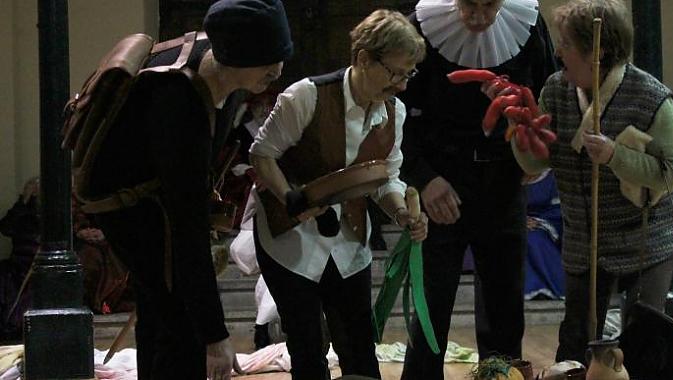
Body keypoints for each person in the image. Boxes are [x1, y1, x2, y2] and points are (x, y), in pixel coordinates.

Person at [88, 0, 293, 378]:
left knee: (162, 312)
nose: (277, 71)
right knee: (180, 325)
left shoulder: (225, 83)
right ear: (235, 55)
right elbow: (187, 229)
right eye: (269, 60)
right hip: (131, 210)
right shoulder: (178, 101)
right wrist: (215, 337)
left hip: (156, 203)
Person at [249, 9, 428, 379]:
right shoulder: (305, 96)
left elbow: (386, 178)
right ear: (363, 58)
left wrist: (402, 214)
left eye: (408, 74)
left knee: (359, 344)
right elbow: (262, 154)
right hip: (289, 242)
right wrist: (291, 198)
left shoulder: (395, 111)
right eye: (395, 73)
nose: (402, 85)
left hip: (348, 243)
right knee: (307, 347)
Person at [509, 0, 673, 364]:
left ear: (598, 51)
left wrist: (614, 156)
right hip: (583, 236)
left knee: (643, 335)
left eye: (567, 44)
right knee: (576, 333)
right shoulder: (556, 90)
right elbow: (536, 161)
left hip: (645, 236)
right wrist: (520, 136)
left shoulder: (649, 96)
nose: (558, 51)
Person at [397, 0, 558, 377]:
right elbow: (391, 113)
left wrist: (534, 154)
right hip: (439, 180)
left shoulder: (528, 26)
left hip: (503, 179)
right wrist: (422, 178)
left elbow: (548, 97)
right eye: (470, 5)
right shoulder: (420, 27)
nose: (481, 17)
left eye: (491, 6)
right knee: (429, 307)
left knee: (504, 308)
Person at [0, 177, 39, 341]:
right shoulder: (23, 211)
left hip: (38, 263)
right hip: (17, 264)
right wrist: (23, 200)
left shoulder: (56, 212)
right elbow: (6, 228)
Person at [523, 169, 564, 300]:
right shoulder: (510, 176)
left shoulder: (552, 177)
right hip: (515, 222)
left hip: (546, 223)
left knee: (533, 239)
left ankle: (549, 286)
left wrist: (538, 223)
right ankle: (531, 287)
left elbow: (558, 210)